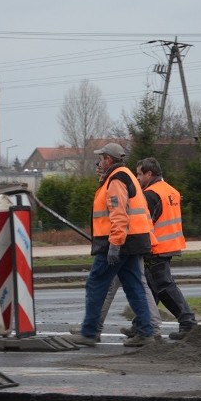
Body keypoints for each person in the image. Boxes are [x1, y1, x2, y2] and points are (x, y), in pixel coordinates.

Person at [68, 143, 157, 348]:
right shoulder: (124, 175)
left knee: (96, 283)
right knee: (134, 286)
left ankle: (89, 332)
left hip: (120, 242)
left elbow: (118, 214)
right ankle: (146, 332)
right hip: (132, 241)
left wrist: (115, 245)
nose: (98, 162)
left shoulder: (116, 179)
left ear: (108, 159)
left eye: (101, 158)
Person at [135, 157, 198, 340]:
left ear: (149, 173)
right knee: (153, 287)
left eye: (139, 174)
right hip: (170, 244)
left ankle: (188, 322)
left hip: (156, 247)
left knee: (163, 286)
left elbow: (145, 224)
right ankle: (140, 324)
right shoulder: (171, 191)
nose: (137, 178)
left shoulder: (150, 194)